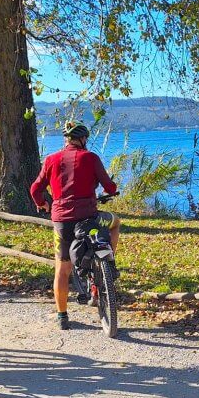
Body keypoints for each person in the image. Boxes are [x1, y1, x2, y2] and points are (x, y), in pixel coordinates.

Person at [30, 121, 119, 330]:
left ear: (66, 140)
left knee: (62, 268)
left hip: (62, 222)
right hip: (89, 218)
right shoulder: (90, 157)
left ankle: (62, 315)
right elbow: (110, 186)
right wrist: (107, 193)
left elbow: (35, 188)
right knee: (115, 223)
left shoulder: (52, 159)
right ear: (83, 139)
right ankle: (108, 262)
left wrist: (42, 204)